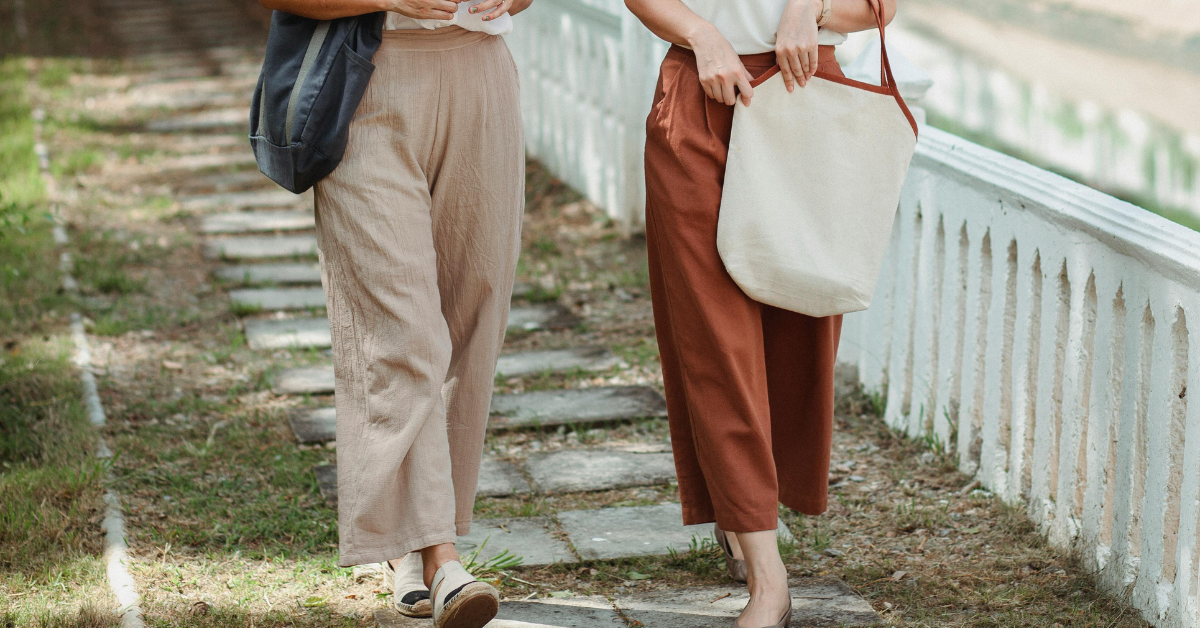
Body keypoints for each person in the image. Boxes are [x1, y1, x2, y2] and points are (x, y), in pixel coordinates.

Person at [257, 0, 532, 626]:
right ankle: (442, 557)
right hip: (363, 79)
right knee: (399, 328)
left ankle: (414, 542)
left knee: (475, 313)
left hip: (480, 73)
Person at [622, 0, 896, 626]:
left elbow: (879, 9)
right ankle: (769, 580)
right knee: (712, 339)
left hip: (806, 94)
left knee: (799, 330)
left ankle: (745, 510)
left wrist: (809, 8)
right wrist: (701, 34)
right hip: (699, 94)